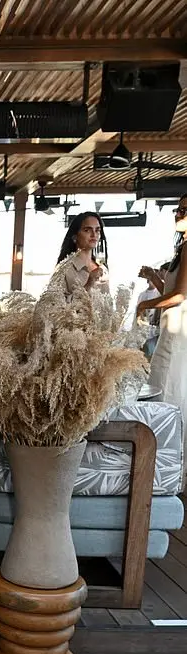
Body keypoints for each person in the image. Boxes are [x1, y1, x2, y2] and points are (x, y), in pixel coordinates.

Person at [137, 194, 187, 483]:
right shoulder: (182, 249)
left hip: (178, 332)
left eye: (185, 210)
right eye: (178, 209)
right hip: (172, 328)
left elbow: (180, 295)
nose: (179, 214)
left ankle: (171, 474)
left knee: (169, 395)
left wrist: (144, 305)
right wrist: (155, 280)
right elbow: (173, 288)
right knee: (167, 392)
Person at [56, 212, 110, 301]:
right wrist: (89, 284)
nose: (94, 235)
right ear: (74, 237)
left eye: (97, 230)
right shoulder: (64, 270)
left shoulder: (103, 269)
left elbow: (107, 305)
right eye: (87, 230)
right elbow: (57, 308)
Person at [135, 277, 161, 358]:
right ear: (148, 281)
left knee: (153, 348)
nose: (153, 282)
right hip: (145, 323)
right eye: (151, 280)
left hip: (155, 323)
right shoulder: (142, 294)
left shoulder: (159, 293)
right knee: (145, 347)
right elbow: (139, 308)